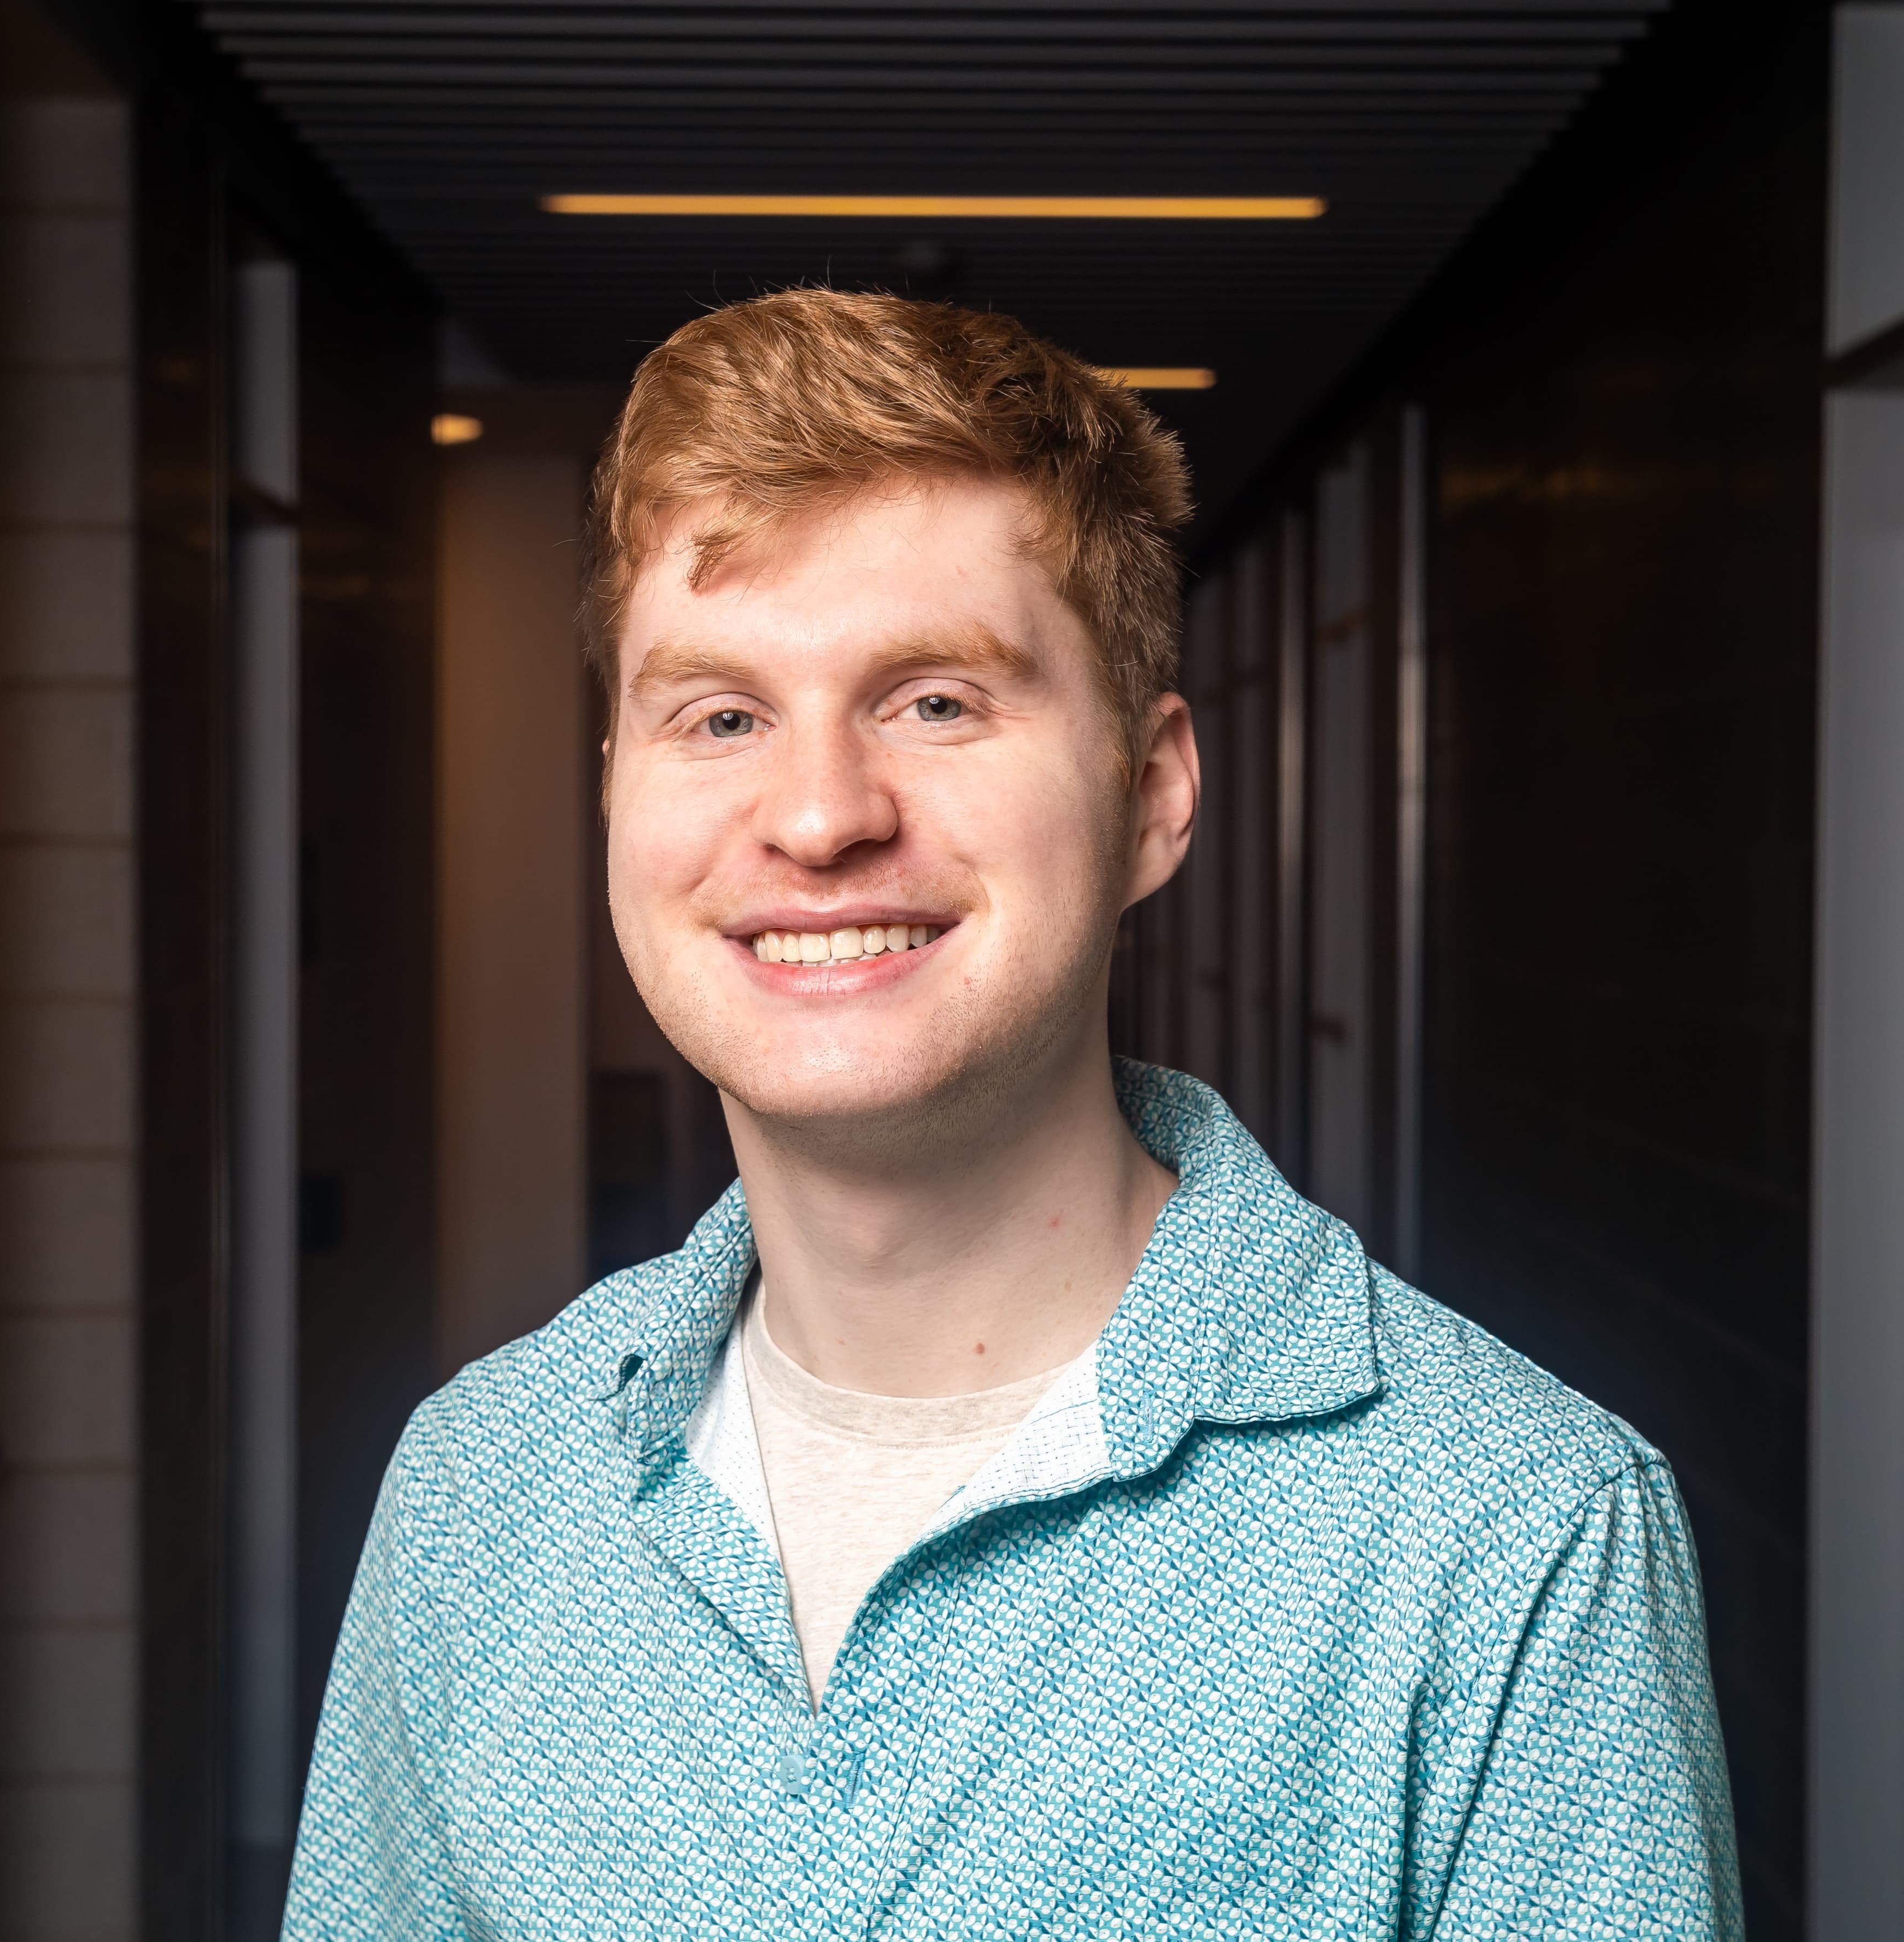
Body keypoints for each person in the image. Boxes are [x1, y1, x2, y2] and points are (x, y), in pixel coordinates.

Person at [283, 289, 1741, 1939]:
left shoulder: (1512, 1536)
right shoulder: (482, 1490)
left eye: (937, 701)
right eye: (723, 716)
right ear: (619, 786)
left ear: (1154, 793)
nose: (820, 817)